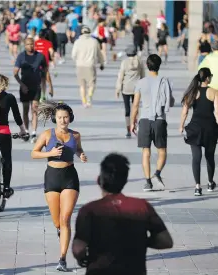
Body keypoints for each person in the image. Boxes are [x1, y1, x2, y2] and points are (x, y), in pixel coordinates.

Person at [72, 153, 173, 275]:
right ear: (125, 181)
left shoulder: (90, 210)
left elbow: (78, 248)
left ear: (99, 180)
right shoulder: (142, 206)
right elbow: (166, 241)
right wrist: (141, 240)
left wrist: (81, 258)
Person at [31, 101, 87, 272]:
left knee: (65, 219)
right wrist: (50, 153)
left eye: (66, 117)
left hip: (70, 177)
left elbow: (78, 149)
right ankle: (60, 231)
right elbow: (34, 153)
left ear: (70, 118)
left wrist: (81, 155)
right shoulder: (47, 134)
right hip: (52, 178)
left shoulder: (75, 135)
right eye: (60, 117)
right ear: (55, 118)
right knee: (57, 221)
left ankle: (62, 259)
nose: (63, 120)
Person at [131, 54, 175, 192]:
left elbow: (136, 104)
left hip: (144, 120)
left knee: (146, 151)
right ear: (159, 65)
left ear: (147, 65)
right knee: (162, 150)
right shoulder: (164, 81)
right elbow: (170, 102)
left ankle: (148, 182)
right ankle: (157, 173)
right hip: (160, 120)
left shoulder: (141, 82)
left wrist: (132, 122)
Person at [179, 68, 218, 196]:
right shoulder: (214, 92)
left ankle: (197, 187)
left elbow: (185, 111)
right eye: (210, 76)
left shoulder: (192, 92)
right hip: (210, 128)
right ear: (207, 78)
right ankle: (210, 183)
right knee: (209, 156)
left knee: (196, 157)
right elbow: (217, 113)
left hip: (194, 128)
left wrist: (181, 126)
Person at [14, 37, 48, 143]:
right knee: (25, 110)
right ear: (25, 45)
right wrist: (22, 85)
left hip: (36, 87)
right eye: (28, 44)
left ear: (34, 45)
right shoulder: (21, 56)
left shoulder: (40, 56)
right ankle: (27, 131)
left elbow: (45, 72)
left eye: (32, 44)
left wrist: (45, 87)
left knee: (35, 109)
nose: (30, 46)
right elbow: (15, 73)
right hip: (25, 87)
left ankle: (34, 132)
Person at [115, 45, 145, 138]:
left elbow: (120, 76)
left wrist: (118, 89)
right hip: (137, 88)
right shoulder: (140, 61)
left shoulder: (124, 62)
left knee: (127, 109)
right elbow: (143, 75)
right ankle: (135, 126)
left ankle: (128, 129)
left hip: (126, 88)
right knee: (135, 108)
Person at [71, 26, 104, 108]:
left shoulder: (77, 42)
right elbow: (99, 54)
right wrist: (101, 63)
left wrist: (77, 60)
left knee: (82, 85)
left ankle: (84, 101)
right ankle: (89, 97)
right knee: (91, 84)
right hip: (90, 65)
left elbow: (73, 55)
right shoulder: (94, 42)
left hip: (80, 65)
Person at [34, 29, 54, 102]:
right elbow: (51, 52)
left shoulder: (36, 43)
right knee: (44, 80)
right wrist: (52, 59)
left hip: (36, 64)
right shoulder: (48, 43)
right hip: (45, 63)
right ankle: (43, 95)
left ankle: (38, 95)